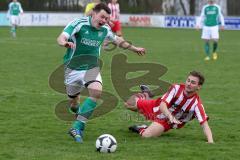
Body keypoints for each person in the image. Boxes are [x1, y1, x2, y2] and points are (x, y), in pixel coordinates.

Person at [57, 3, 146, 143]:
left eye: (107, 18)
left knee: (96, 92)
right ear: (93, 13)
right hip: (72, 69)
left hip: (91, 67)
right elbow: (62, 37)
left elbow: (118, 40)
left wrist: (134, 48)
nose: (104, 21)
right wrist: (65, 43)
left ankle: (77, 127)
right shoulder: (79, 24)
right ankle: (78, 113)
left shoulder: (105, 29)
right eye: (102, 17)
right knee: (74, 104)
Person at [125, 71, 214, 143]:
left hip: (165, 121)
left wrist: (210, 141)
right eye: (188, 80)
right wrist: (171, 116)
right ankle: (146, 95)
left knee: (146, 136)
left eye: (193, 82)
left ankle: (141, 128)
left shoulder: (197, 105)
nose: (189, 84)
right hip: (157, 106)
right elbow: (162, 106)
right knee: (128, 104)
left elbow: (204, 125)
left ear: (198, 87)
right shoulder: (176, 88)